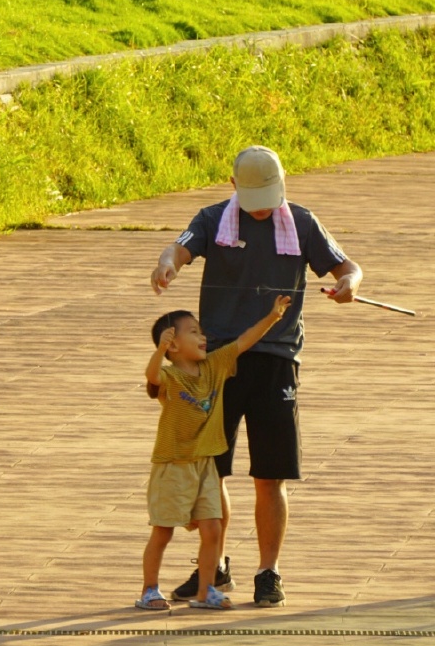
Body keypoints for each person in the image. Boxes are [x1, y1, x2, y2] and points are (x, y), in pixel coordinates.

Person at [149, 145, 362, 607]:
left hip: (277, 358)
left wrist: (350, 285)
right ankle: (216, 566)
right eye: (254, 197)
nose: (264, 206)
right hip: (219, 364)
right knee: (212, 471)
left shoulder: (302, 222)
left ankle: (269, 571)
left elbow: (349, 266)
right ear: (233, 188)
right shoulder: (212, 219)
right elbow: (178, 248)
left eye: (271, 194)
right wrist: (167, 264)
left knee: (272, 475)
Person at [137, 297, 290, 612]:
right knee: (163, 531)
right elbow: (152, 375)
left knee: (212, 529)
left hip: (205, 464)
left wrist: (273, 317)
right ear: (173, 346)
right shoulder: (170, 377)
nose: (202, 336)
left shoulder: (215, 366)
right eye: (193, 332)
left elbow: (244, 341)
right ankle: (149, 589)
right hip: (173, 466)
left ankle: (207, 592)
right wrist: (159, 351)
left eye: (201, 330)